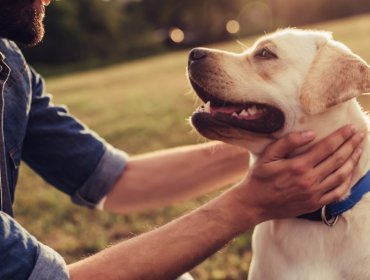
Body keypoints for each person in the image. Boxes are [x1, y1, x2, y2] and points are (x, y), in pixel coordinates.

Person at [0, 0, 364, 279]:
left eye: (264, 56)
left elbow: (116, 179)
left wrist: (291, 144)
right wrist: (247, 205)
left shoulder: (11, 66)